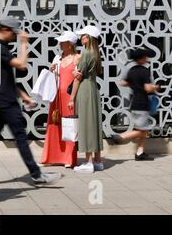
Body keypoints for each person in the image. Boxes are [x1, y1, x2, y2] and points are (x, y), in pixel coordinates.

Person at [0, 20, 62, 188]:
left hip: (2, 99)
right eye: (14, 34)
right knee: (21, 138)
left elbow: (6, 79)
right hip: (5, 102)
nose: (15, 37)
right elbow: (22, 65)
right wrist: (24, 44)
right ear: (5, 30)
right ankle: (36, 175)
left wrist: (23, 96)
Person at [110, 47, 160, 161]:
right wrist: (156, 87)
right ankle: (120, 137)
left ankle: (140, 152)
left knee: (144, 129)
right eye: (145, 57)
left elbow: (123, 82)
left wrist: (134, 85)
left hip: (134, 103)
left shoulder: (131, 70)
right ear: (142, 58)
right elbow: (147, 88)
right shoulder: (144, 71)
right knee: (141, 130)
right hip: (142, 104)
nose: (147, 58)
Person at [41, 31, 79, 168]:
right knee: (54, 125)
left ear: (70, 44)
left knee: (69, 126)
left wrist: (74, 97)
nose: (60, 44)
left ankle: (69, 158)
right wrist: (51, 70)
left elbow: (79, 78)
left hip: (69, 97)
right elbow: (54, 78)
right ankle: (51, 157)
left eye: (63, 41)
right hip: (56, 97)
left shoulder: (77, 58)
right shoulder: (57, 58)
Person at [69, 25, 104, 173]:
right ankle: (97, 160)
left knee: (86, 123)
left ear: (88, 38)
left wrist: (71, 98)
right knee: (94, 123)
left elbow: (78, 78)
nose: (80, 38)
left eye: (83, 35)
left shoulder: (86, 53)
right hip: (93, 88)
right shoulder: (96, 53)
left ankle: (88, 162)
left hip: (84, 89)